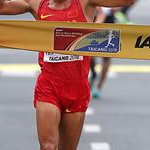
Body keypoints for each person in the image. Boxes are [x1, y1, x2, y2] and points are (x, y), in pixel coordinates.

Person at [0, 0, 134, 150]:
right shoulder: (37, 3)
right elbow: (2, 7)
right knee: (48, 146)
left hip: (77, 89)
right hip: (49, 86)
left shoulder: (85, 3)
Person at [90, 7, 113, 99]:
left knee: (106, 56)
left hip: (108, 20)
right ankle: (93, 73)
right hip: (93, 16)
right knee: (89, 54)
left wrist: (115, 8)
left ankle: (98, 86)